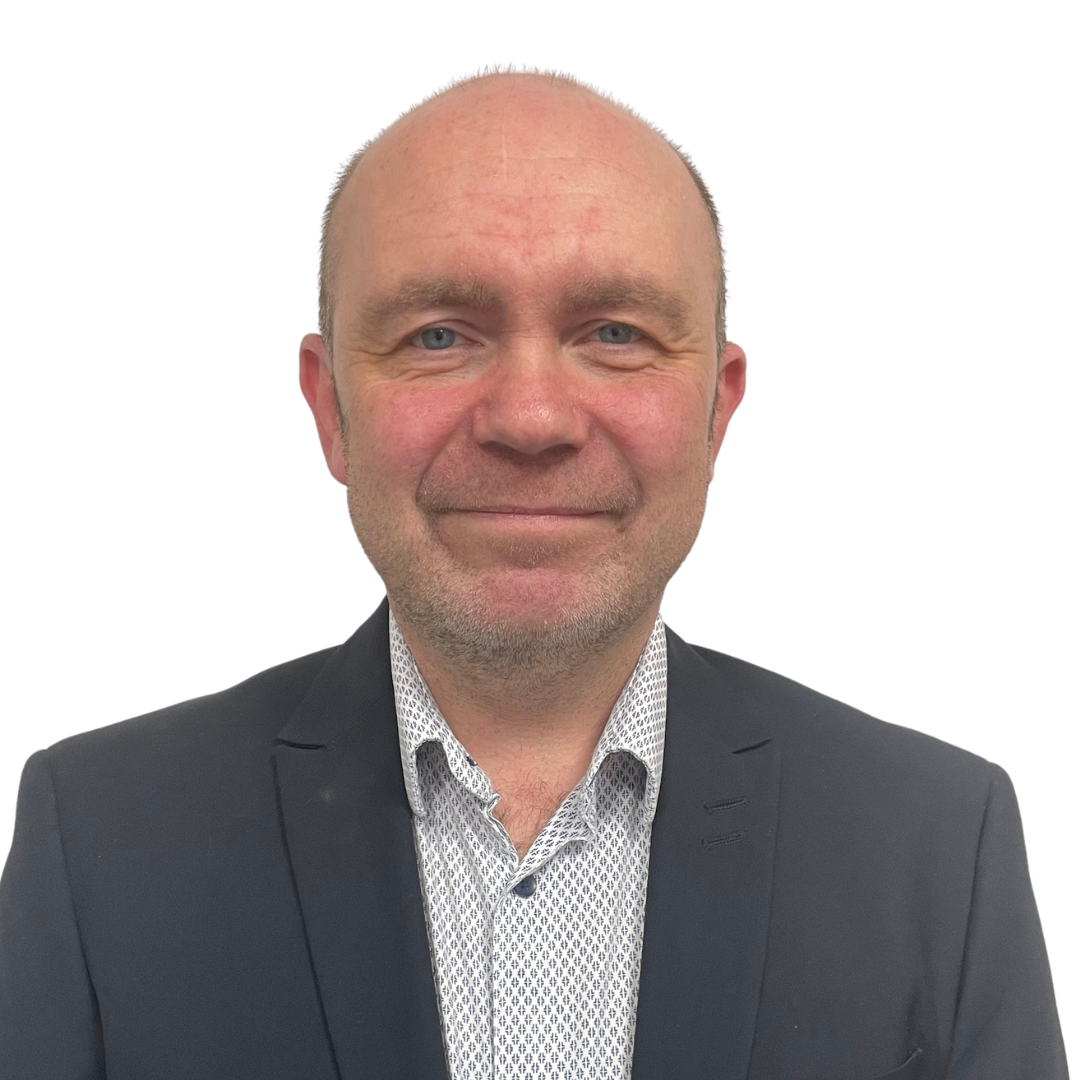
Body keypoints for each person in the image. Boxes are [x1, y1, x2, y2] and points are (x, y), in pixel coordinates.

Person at [0, 70, 1067, 1080]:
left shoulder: (935, 847)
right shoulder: (99, 842)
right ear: (331, 410)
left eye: (615, 333)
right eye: (438, 335)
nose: (531, 419)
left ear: (717, 410)